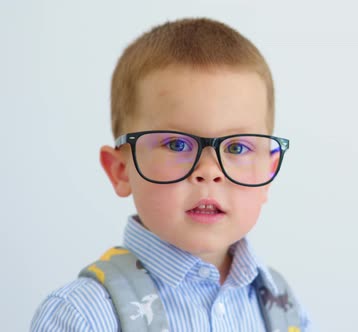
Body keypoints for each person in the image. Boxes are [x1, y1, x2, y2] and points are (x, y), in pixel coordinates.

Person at [31, 17, 311, 331]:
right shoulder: (83, 316)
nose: (209, 171)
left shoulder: (281, 306)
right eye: (177, 144)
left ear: (269, 173)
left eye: (237, 148)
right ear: (121, 170)